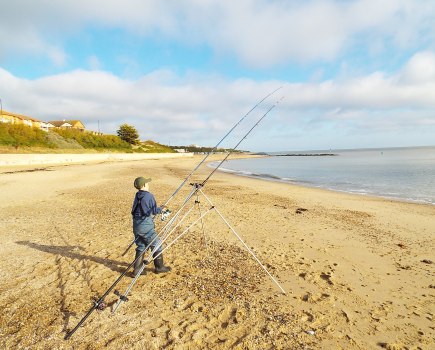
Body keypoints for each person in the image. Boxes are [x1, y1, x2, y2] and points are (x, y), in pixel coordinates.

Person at [131, 176, 171, 275]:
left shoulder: (138, 195)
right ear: (144, 185)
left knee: (141, 245)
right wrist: (161, 209)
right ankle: (159, 267)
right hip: (145, 225)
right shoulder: (149, 196)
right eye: (147, 183)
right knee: (156, 244)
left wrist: (158, 208)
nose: (148, 184)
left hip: (136, 225)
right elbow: (153, 211)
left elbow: (143, 208)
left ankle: (137, 270)